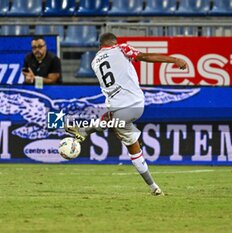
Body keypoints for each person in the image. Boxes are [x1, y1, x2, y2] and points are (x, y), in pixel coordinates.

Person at [65, 32, 187, 196]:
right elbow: (144, 56)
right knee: (127, 139)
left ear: (100, 46)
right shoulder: (122, 48)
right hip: (135, 105)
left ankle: (84, 130)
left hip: (118, 108)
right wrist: (174, 59)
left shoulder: (94, 62)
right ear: (114, 42)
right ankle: (154, 188)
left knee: (118, 129)